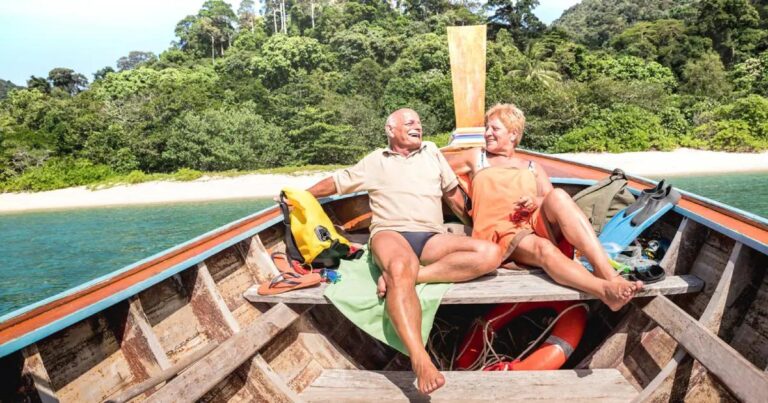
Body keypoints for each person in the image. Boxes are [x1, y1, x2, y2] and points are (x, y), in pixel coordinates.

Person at [305, 108, 501, 394]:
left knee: (490, 253)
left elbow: (454, 197)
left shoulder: (432, 152)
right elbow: (336, 182)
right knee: (399, 266)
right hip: (390, 233)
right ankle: (419, 357)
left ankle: (414, 276)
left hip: (431, 237)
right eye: (409, 123)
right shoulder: (375, 160)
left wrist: (476, 228)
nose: (417, 127)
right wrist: (299, 194)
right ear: (390, 129)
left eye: (419, 123)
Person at [446, 103, 643, 311]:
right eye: (487, 128)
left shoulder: (532, 167)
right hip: (499, 231)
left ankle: (608, 274)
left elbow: (551, 203)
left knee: (557, 195)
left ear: (513, 134)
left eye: (494, 129)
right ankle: (605, 291)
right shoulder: (477, 157)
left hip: (533, 223)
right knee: (543, 248)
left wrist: (535, 201)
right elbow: (437, 169)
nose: (487, 133)